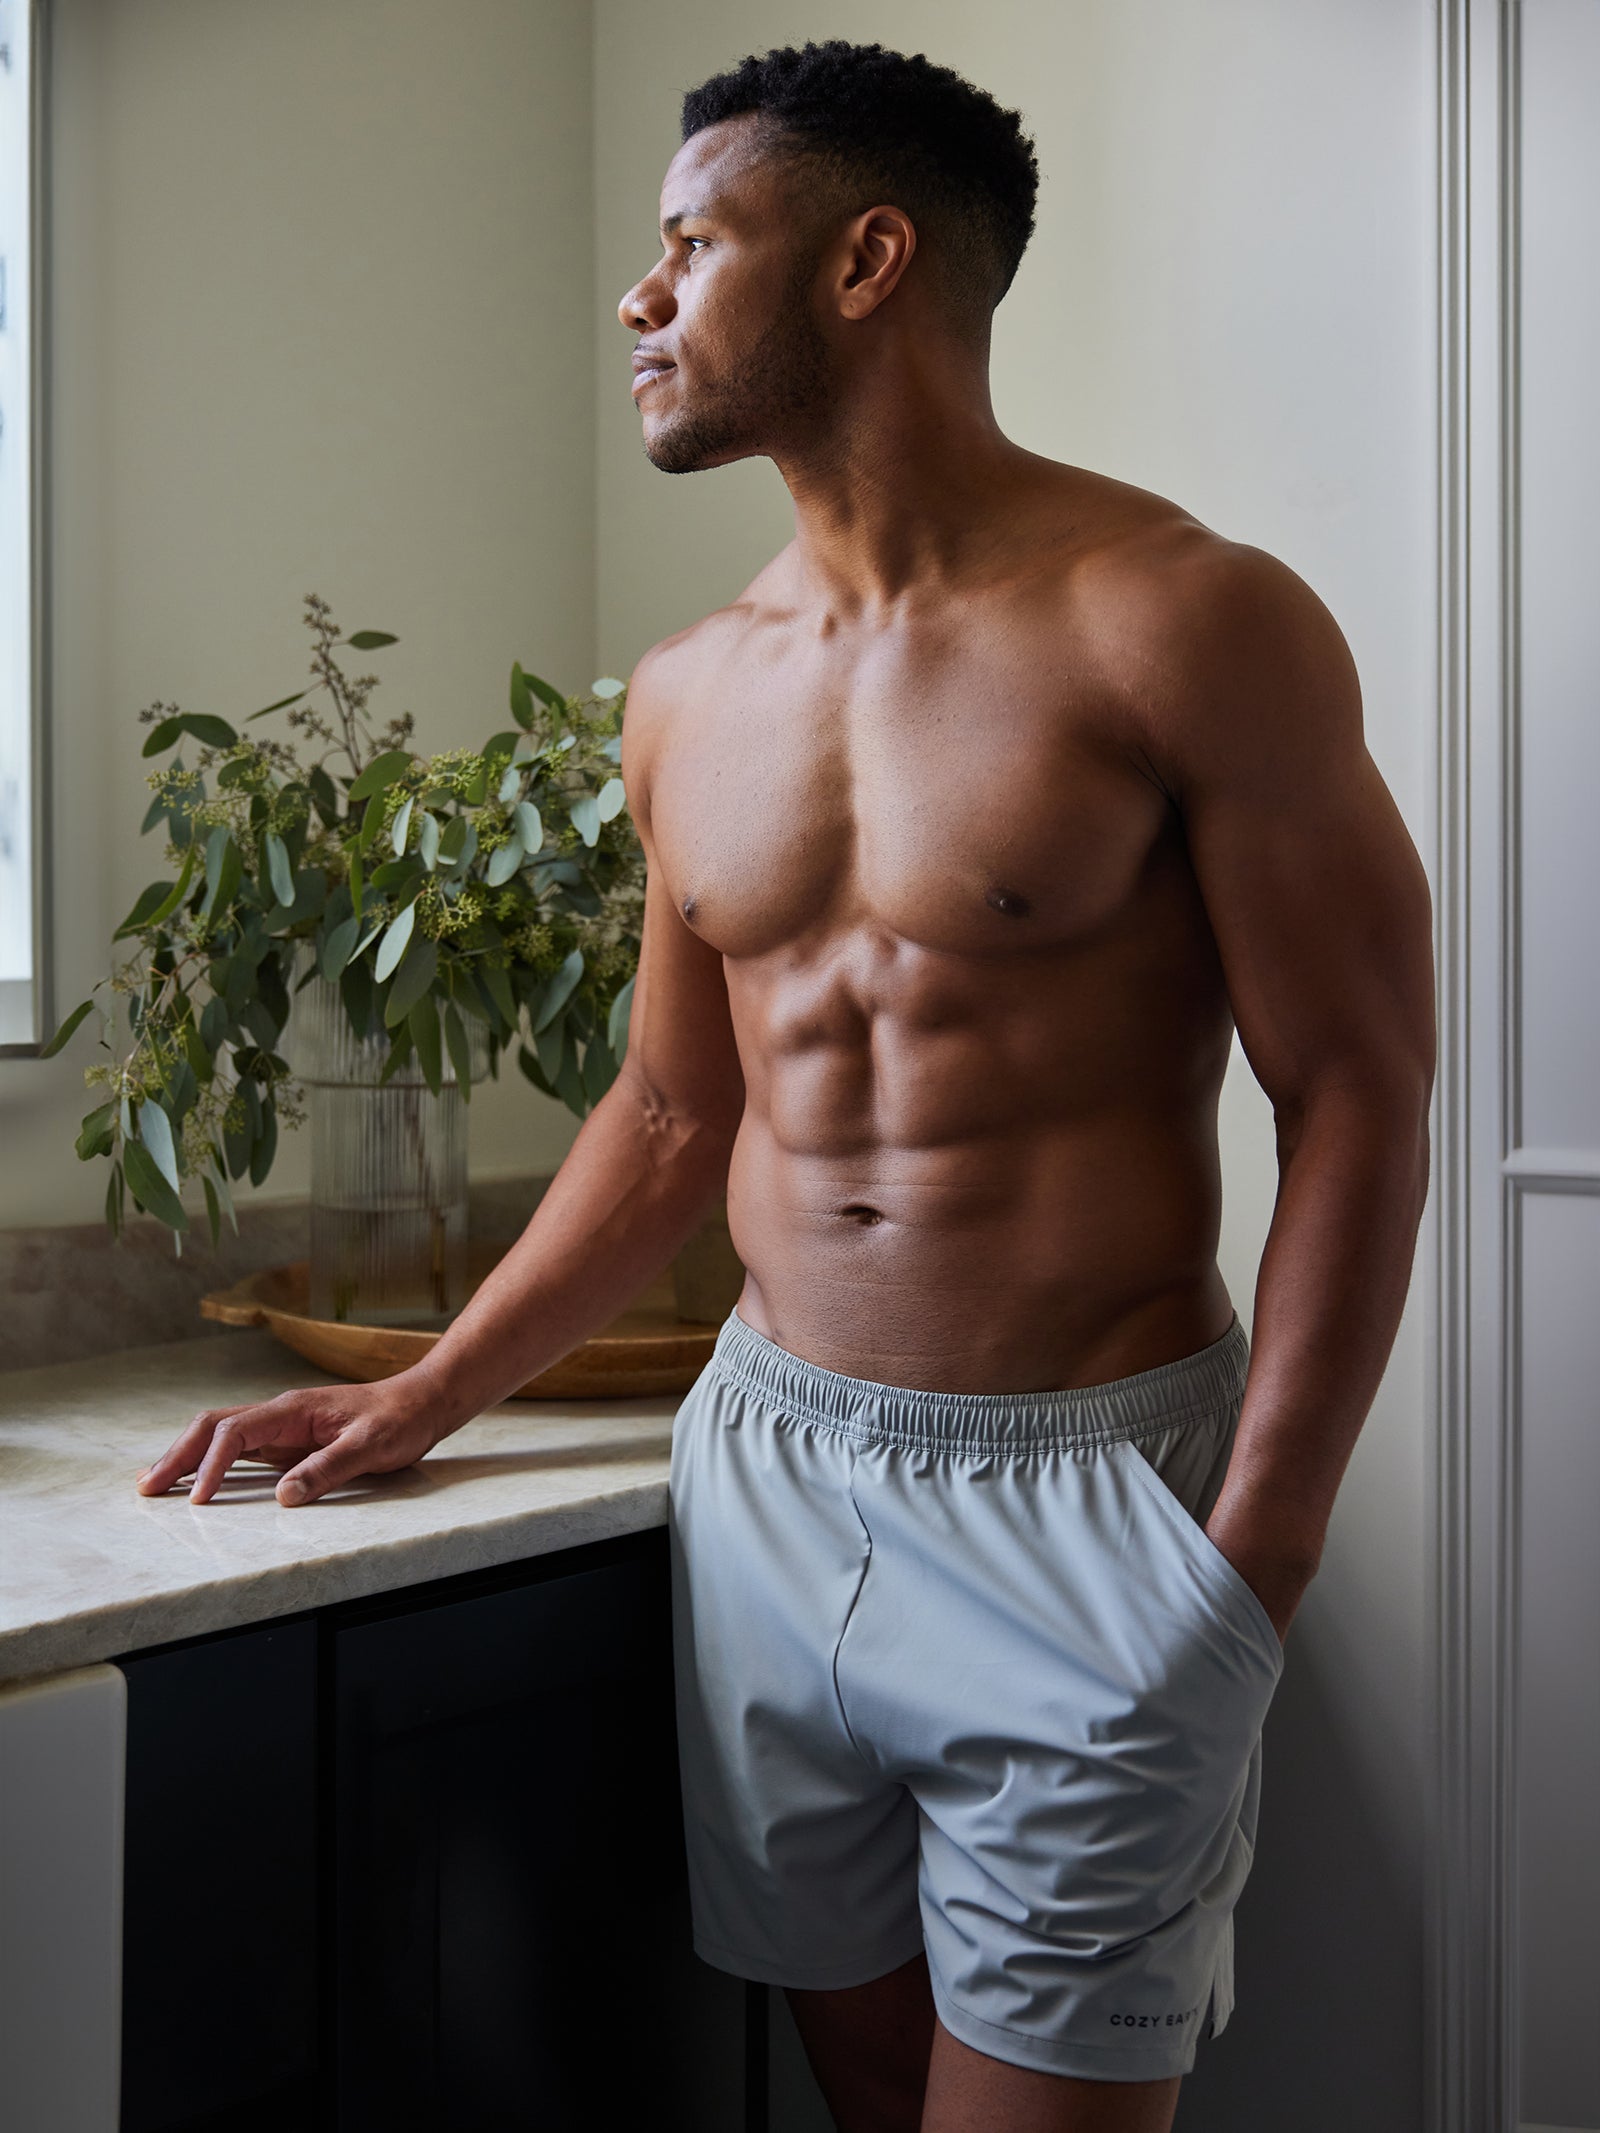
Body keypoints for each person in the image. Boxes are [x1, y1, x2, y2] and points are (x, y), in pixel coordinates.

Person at [135, 40, 1436, 2133]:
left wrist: (1251, 1553)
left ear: (864, 259)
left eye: (688, 245)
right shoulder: (684, 689)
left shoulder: (1180, 623)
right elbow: (668, 1112)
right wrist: (419, 1391)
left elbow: (1359, 1086)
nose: (639, 298)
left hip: (1089, 1496)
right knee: (855, 2081)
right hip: (767, 1474)